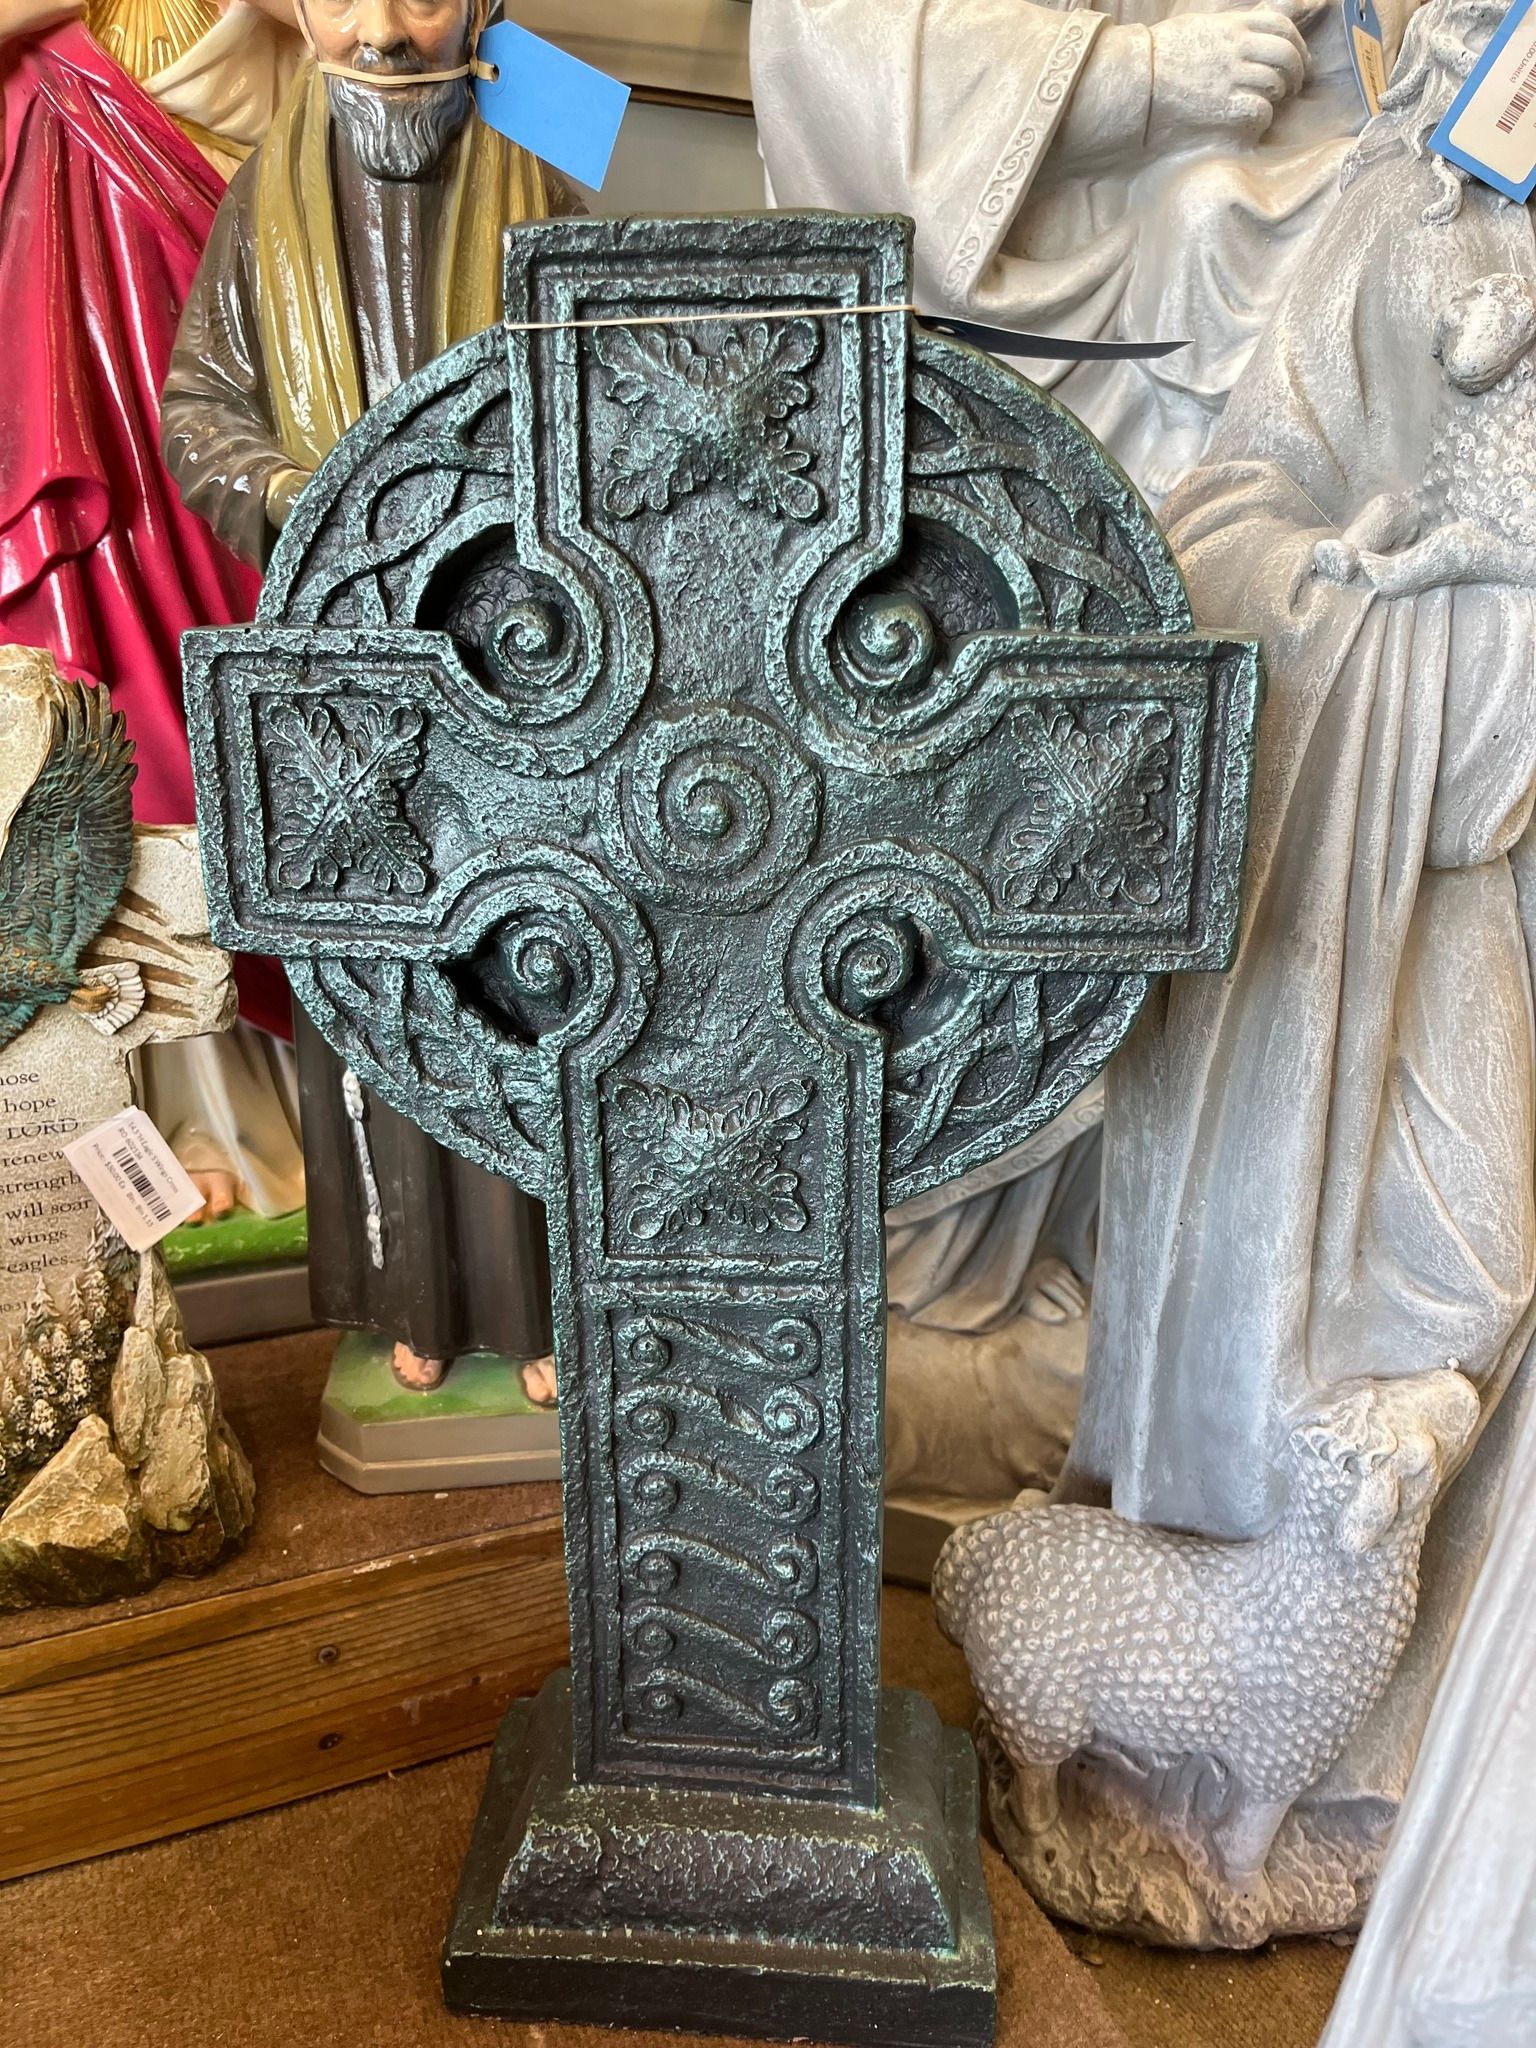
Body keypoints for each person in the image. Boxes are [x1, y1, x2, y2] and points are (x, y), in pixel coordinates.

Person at [161, 0, 575, 1386]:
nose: (385, 36)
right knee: (380, 986)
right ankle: (413, 1304)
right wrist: (305, 498)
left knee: (533, 973)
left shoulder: (549, 114)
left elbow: (617, 348)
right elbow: (203, 410)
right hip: (340, 670)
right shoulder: (257, 185)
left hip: (520, 656)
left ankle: (541, 1311)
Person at [0, 0, 306, 1222]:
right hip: (86, 349)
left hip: (289, 337)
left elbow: (563, 122)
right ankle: (161, 1115)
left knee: (288, 730)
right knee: (124, 734)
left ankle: (348, 1117)